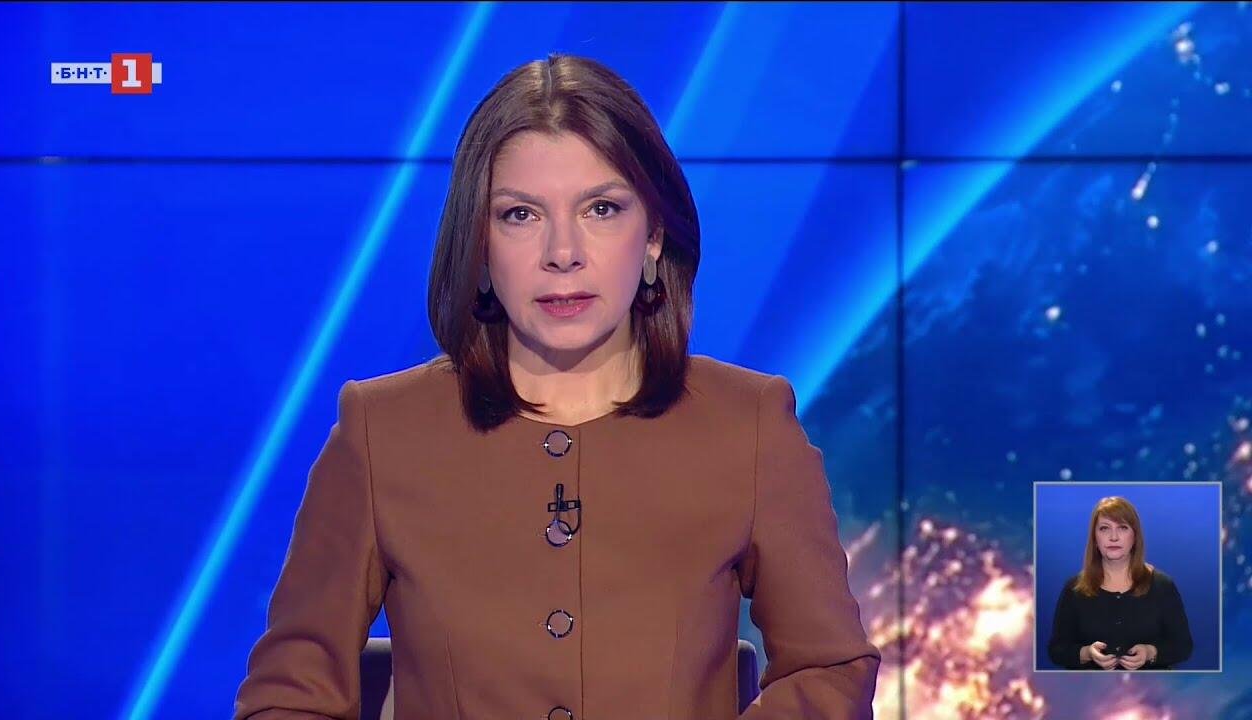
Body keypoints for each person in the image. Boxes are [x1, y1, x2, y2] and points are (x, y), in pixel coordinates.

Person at [233, 53, 880, 719]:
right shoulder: (381, 432)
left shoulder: (748, 424)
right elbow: (288, 695)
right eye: (520, 215)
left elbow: (830, 668)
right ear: (479, 245)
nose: (562, 253)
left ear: (654, 236)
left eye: (601, 208)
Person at [1047, 496, 1193, 671]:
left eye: (1122, 528)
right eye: (1104, 528)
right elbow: (1057, 651)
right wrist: (1086, 653)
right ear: (1095, 538)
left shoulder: (1162, 586)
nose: (1113, 537)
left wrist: (1150, 652)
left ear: (1135, 536)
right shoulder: (1074, 588)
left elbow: (1183, 646)